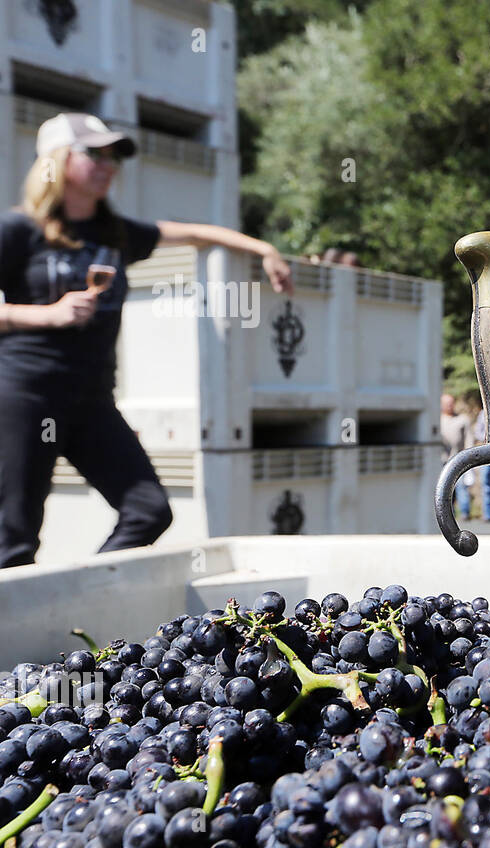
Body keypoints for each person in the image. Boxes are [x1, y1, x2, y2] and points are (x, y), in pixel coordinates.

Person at [0, 113, 293, 568]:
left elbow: (194, 233)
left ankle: (79, 603)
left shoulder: (116, 234)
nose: (109, 164)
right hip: (25, 396)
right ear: (55, 162)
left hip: (93, 402)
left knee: (149, 511)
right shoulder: (20, 231)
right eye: (94, 153)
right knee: (13, 541)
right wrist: (47, 315)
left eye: (114, 155)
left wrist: (263, 249)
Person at [440, 393, 473, 520]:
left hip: (458, 459)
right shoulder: (437, 420)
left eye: (451, 403)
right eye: (446, 403)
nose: (449, 406)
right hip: (441, 460)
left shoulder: (462, 419)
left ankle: (465, 513)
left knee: (461, 487)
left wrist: (469, 457)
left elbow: (468, 439)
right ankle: (448, 515)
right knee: (445, 489)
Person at [472, 408, 490, 522]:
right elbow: (477, 431)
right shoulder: (483, 413)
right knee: (486, 485)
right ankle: (487, 515)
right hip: (486, 452)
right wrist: (488, 436)